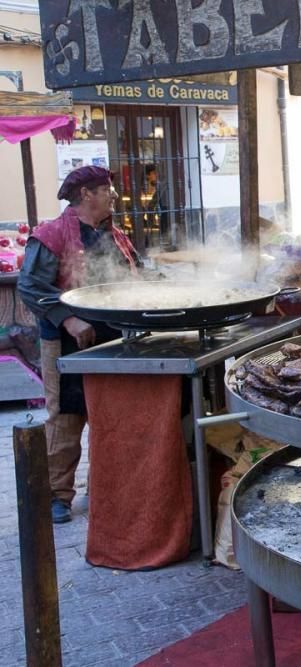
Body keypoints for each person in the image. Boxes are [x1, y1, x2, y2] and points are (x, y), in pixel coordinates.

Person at [17, 166, 139, 524]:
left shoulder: (114, 234)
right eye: (108, 190)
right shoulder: (52, 235)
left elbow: (135, 275)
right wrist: (69, 318)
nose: (114, 196)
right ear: (87, 194)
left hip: (112, 337)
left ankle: (103, 488)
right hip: (65, 342)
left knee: (108, 414)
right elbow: (31, 287)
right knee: (66, 419)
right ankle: (57, 495)